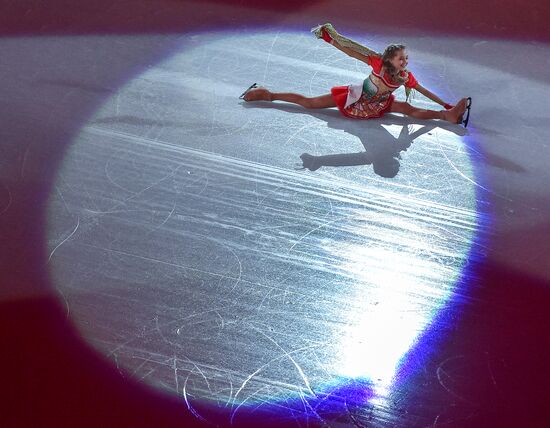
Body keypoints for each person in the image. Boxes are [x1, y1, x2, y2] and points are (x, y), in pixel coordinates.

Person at [241, 23, 470, 126]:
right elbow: (351, 51)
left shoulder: (404, 77)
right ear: (389, 59)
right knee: (310, 103)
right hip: (357, 98)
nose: (405, 61)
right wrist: (331, 40)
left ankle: (446, 116)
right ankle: (267, 94)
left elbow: (423, 90)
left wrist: (447, 104)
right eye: (401, 58)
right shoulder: (378, 63)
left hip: (379, 104)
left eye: (406, 58)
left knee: (408, 109)